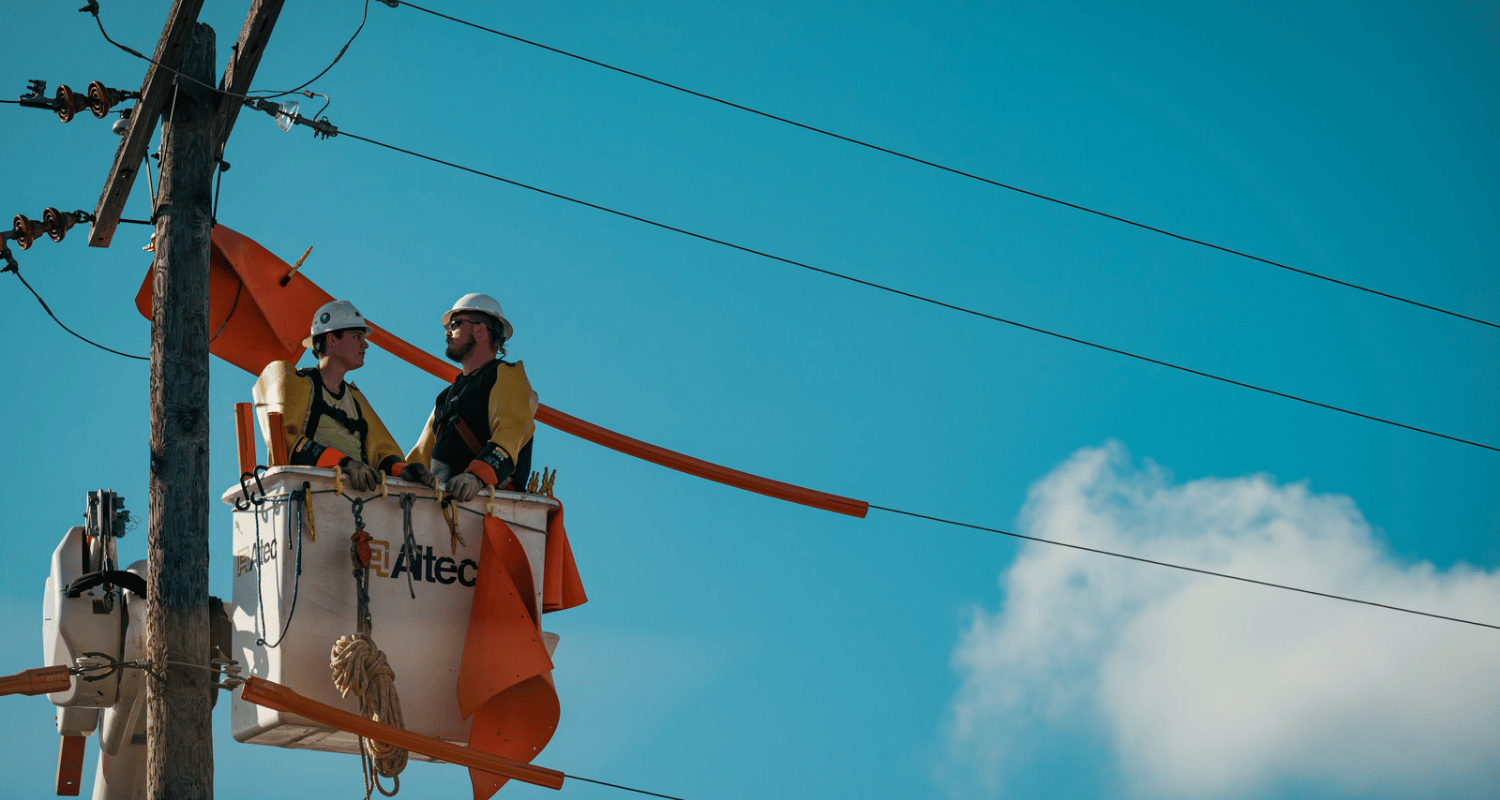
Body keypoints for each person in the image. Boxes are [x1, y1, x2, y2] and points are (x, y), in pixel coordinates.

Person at [253, 300, 436, 491]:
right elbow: (287, 440)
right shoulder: (298, 384)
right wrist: (344, 464)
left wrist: (403, 470)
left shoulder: (356, 400)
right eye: (357, 337)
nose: (365, 345)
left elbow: (382, 452)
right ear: (331, 340)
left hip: (353, 502)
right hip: (308, 495)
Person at [406, 293, 538, 502]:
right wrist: (400, 473)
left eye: (455, 324)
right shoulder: (446, 396)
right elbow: (420, 455)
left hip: (488, 504)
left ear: (479, 330)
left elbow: (512, 430)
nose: (447, 333)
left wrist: (477, 476)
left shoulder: (505, 374)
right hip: (437, 505)